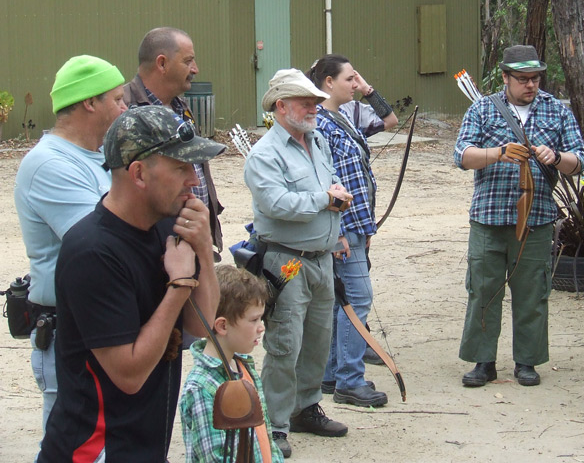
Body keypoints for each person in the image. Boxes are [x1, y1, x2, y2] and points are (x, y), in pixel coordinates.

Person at [38, 106, 224, 461]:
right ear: (138, 173)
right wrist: (181, 283)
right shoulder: (92, 252)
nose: (194, 180)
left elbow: (201, 327)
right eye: (181, 167)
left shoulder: (167, 224)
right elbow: (129, 375)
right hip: (95, 450)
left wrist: (202, 250)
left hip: (146, 446)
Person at [454, 44, 584, 388]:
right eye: (523, 79)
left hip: (537, 219)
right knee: (483, 290)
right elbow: (463, 156)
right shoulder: (483, 109)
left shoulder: (556, 111)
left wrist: (556, 158)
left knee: (532, 291)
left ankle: (526, 361)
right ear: (505, 77)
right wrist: (498, 153)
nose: (531, 85)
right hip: (488, 217)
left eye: (535, 78)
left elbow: (579, 162)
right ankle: (483, 361)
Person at [14, 55, 127, 453]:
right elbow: (107, 240)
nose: (125, 107)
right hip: (71, 335)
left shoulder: (96, 159)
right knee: (76, 447)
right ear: (89, 103)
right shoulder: (49, 164)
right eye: (118, 98)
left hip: (100, 325)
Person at [244, 68, 352, 459]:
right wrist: (326, 199)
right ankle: (274, 424)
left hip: (322, 260)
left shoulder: (316, 140)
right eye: (306, 102)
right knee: (285, 343)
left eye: (316, 102)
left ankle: (306, 409)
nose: (314, 108)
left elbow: (329, 186)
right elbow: (275, 205)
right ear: (280, 106)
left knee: (318, 340)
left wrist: (336, 229)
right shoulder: (264, 154)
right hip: (286, 263)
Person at [307, 55, 392, 407]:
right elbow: (326, 179)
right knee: (357, 299)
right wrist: (340, 230)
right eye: (350, 79)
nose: (356, 85)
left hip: (354, 227)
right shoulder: (321, 125)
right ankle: (349, 381)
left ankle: (331, 374)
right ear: (329, 83)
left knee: (337, 300)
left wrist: (363, 225)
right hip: (342, 229)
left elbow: (388, 121)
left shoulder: (339, 117)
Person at [124, 26, 224, 256]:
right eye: (188, 61)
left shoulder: (181, 107)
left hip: (194, 241)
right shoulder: (126, 110)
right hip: (157, 249)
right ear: (162, 63)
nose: (195, 69)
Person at [180, 265, 284, 463]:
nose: (261, 327)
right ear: (223, 325)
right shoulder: (201, 388)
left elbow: (265, 438)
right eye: (254, 320)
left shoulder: (243, 367)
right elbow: (214, 457)